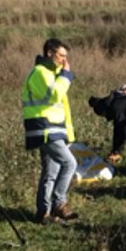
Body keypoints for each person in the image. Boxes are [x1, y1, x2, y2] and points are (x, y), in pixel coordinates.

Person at [21, 38, 78, 225]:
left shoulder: (53, 75)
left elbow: (63, 108)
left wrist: (68, 133)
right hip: (44, 129)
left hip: (53, 129)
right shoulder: (41, 72)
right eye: (61, 55)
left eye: (65, 56)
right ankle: (59, 203)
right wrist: (66, 75)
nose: (64, 60)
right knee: (70, 163)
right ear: (49, 53)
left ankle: (43, 213)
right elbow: (54, 95)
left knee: (51, 173)